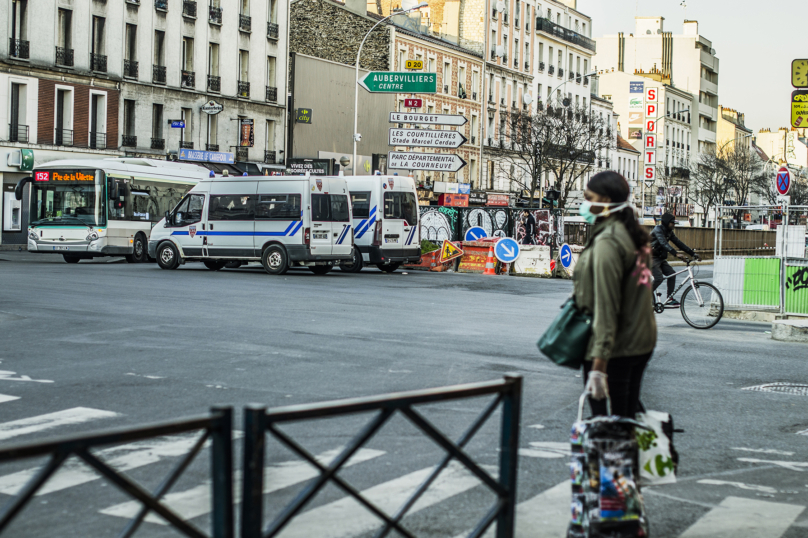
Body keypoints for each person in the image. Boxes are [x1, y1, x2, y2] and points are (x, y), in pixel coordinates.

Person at [573, 171, 657, 418]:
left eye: (589, 197)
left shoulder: (609, 241)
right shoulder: (634, 235)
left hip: (615, 347)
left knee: (609, 427)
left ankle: (620, 456)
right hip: (640, 339)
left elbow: (607, 306)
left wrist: (598, 366)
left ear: (606, 201)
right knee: (627, 419)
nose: (585, 203)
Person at [651, 213, 699, 306]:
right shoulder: (658, 230)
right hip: (650, 257)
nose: (674, 225)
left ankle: (669, 298)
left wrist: (693, 253)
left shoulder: (669, 232)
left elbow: (679, 243)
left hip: (660, 258)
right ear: (666, 222)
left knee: (672, 274)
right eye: (672, 223)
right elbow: (663, 243)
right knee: (658, 278)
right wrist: (676, 253)